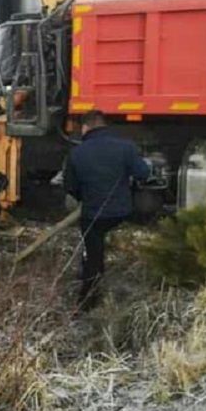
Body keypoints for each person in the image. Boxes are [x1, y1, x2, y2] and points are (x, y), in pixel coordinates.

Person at [64, 110, 151, 310]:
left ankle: (87, 301)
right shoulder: (125, 147)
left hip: (93, 215)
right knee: (100, 240)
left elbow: (70, 187)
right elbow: (143, 174)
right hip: (122, 212)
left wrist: (84, 197)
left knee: (93, 252)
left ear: (85, 127)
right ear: (104, 125)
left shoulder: (77, 153)